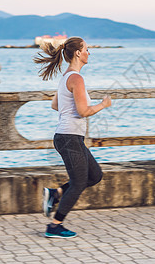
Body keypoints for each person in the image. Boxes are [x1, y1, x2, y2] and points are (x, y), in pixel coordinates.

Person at [34, 37, 112, 238]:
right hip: (69, 137)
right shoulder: (76, 78)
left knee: (94, 176)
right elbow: (83, 111)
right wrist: (103, 105)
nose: (89, 52)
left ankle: (56, 194)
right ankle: (55, 225)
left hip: (70, 137)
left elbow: (55, 106)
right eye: (86, 49)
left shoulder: (66, 76)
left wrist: (70, 107)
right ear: (78, 52)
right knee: (78, 183)